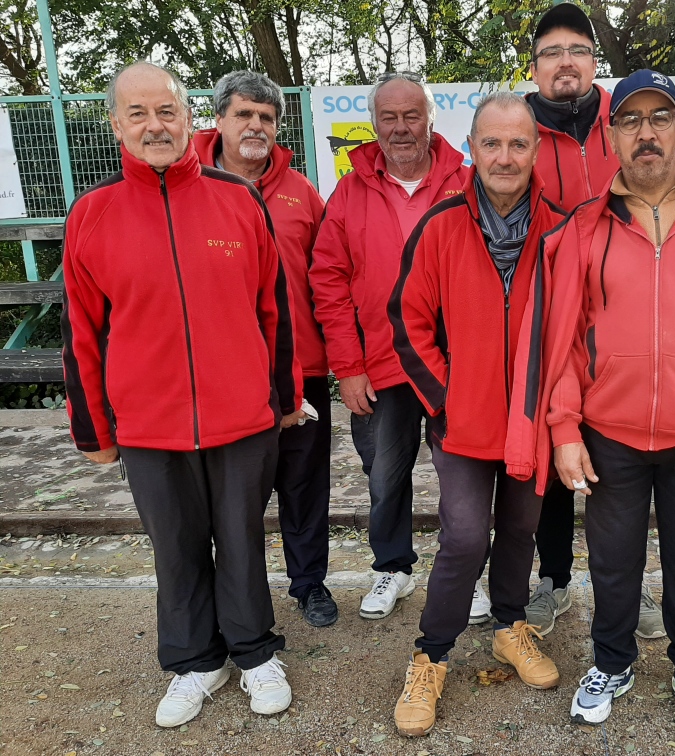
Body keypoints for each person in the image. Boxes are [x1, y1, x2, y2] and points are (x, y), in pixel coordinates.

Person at [507, 70, 675, 737]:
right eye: (631, 121)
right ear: (612, 137)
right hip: (610, 431)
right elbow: (564, 339)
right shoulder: (585, 230)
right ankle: (613, 661)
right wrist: (564, 427)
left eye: (660, 118)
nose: (646, 132)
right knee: (612, 559)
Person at [61, 61, 305, 728]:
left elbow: (272, 310)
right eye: (137, 113)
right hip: (147, 423)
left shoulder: (236, 199)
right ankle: (195, 660)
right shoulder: (92, 214)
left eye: (165, 110)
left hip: (241, 418)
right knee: (175, 546)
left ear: (189, 116)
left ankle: (254, 651)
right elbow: (81, 331)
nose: (154, 125)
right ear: (116, 125)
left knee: (241, 539)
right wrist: (94, 430)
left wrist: (284, 398)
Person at [387, 91, 566, 737]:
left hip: (532, 423)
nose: (505, 155)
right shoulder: (440, 225)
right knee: (465, 537)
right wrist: (448, 396)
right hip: (462, 421)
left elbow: (578, 329)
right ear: (473, 148)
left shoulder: (563, 229)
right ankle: (431, 655)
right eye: (492, 142)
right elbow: (407, 321)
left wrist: (556, 408)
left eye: (519, 143)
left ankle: (509, 626)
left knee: (521, 530)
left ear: (536, 151)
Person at [308, 72, 478, 622]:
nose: (401, 128)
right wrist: (348, 367)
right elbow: (328, 281)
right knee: (384, 476)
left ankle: (468, 572)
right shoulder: (350, 191)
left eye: (411, 116)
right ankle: (392, 568)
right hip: (379, 364)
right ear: (375, 123)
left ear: (430, 119)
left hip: (458, 366)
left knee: (465, 477)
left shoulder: (468, 181)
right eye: (389, 117)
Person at [524, 1, 665, 641]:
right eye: (551, 52)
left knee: (638, 463)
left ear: (593, 61)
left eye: (576, 50)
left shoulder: (630, 123)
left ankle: (641, 591)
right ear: (535, 66)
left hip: (625, 318)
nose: (565, 63)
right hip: (547, 315)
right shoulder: (517, 128)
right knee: (554, 454)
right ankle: (552, 581)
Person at [193, 70, 336, 627]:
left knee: (305, 491)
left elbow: (328, 277)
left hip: (300, 373)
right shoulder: (186, 188)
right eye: (244, 114)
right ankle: (236, 603)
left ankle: (310, 586)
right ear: (219, 119)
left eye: (267, 117)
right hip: (226, 379)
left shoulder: (303, 194)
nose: (256, 125)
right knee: (234, 505)